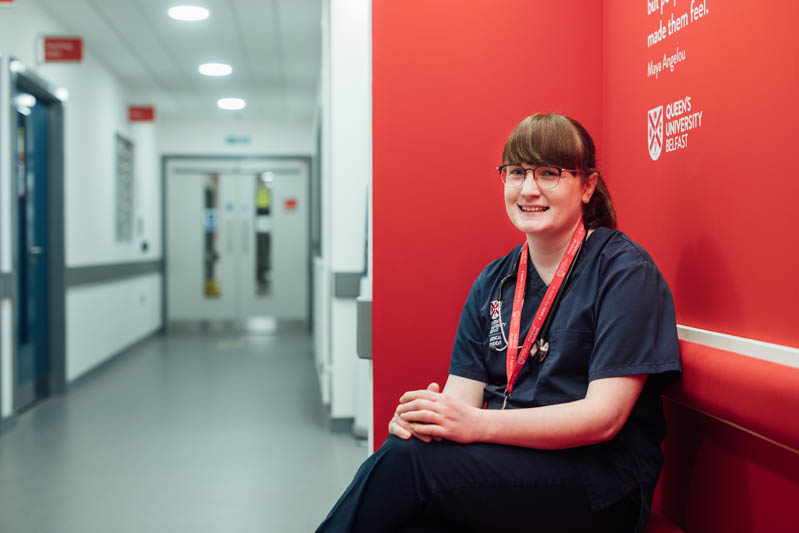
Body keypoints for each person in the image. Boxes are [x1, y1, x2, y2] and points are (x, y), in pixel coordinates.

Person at [317, 113, 682, 533]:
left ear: (587, 186)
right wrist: (428, 420)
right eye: (516, 173)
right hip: (514, 464)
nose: (529, 189)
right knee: (414, 493)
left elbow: (604, 418)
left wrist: (474, 425)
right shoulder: (496, 280)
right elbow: (461, 402)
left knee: (410, 465)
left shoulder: (624, 272)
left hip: (599, 482)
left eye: (549, 173)